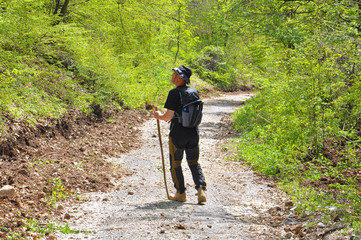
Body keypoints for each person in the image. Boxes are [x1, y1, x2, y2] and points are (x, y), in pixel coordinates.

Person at [154, 65, 207, 203]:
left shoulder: (174, 93)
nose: (172, 76)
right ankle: (201, 189)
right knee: (194, 162)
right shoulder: (194, 92)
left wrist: (158, 115)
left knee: (176, 163)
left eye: (174, 74)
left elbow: (168, 116)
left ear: (179, 78)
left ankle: (181, 193)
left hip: (178, 133)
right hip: (193, 132)